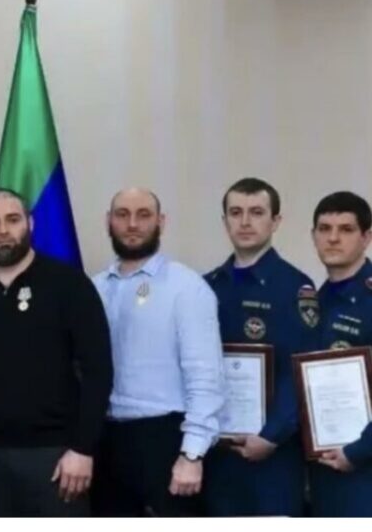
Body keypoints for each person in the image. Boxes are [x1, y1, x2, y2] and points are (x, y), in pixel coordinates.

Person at [0, 189, 113, 517]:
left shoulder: (69, 284)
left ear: (30, 223)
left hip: (57, 457)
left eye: (13, 220)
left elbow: (98, 371)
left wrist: (83, 448)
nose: (3, 231)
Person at [91, 187, 224, 517]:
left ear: (161, 222)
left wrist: (192, 454)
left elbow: (205, 376)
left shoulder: (186, 287)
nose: (132, 224)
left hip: (165, 441)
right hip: (107, 442)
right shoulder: (94, 288)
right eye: (122, 215)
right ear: (108, 222)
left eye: (144, 215)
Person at [202, 178, 313, 516]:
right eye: (236, 212)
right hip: (217, 452)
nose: (245, 222)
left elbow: (300, 370)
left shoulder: (296, 288)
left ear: (275, 221)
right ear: (225, 221)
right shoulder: (205, 287)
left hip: (273, 454)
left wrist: (271, 435)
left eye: (257, 212)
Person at [307, 191, 372, 516]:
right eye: (324, 229)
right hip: (319, 465)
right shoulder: (312, 300)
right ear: (314, 236)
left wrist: (359, 451)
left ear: (366, 237)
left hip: (363, 467)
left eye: (346, 229)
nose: (333, 238)